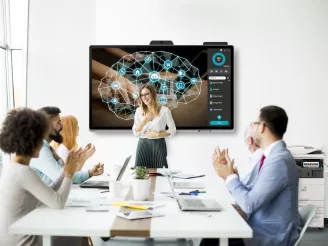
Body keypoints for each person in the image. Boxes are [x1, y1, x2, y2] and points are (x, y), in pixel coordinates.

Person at [208, 106, 301, 246]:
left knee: (211, 242)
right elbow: (250, 194)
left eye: (254, 124)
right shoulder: (270, 157)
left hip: (269, 237)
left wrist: (229, 178)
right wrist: (229, 175)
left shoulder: (278, 161)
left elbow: (249, 204)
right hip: (260, 230)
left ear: (262, 126)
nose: (252, 128)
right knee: (211, 238)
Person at [0, 108, 84, 246]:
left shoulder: (14, 168)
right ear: (32, 141)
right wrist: (69, 174)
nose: (44, 143)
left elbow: (47, 192)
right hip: (24, 243)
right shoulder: (23, 172)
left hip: (19, 238)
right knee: (77, 234)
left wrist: (65, 171)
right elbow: (58, 203)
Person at [30, 107, 102, 185]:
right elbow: (63, 178)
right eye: (58, 122)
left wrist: (90, 172)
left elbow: (63, 174)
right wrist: (88, 171)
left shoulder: (46, 148)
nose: (61, 126)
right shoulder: (41, 150)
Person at [132, 83, 176, 168]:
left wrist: (158, 135)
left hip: (158, 144)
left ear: (152, 94)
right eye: (142, 95)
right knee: (141, 175)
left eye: (146, 94)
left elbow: (173, 130)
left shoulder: (164, 110)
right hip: (143, 145)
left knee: (160, 176)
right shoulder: (138, 111)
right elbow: (136, 133)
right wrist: (144, 121)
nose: (144, 97)